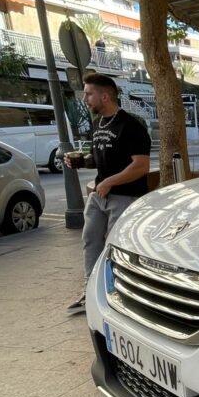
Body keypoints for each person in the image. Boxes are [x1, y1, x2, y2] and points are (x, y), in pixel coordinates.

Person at [66, 73, 151, 314]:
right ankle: (91, 291)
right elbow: (98, 158)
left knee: (116, 247)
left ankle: (118, 294)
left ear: (105, 96)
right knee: (90, 240)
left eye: (89, 94)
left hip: (125, 196)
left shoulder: (131, 126)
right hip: (100, 195)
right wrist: (80, 161)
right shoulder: (98, 125)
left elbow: (141, 166)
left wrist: (110, 182)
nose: (85, 99)